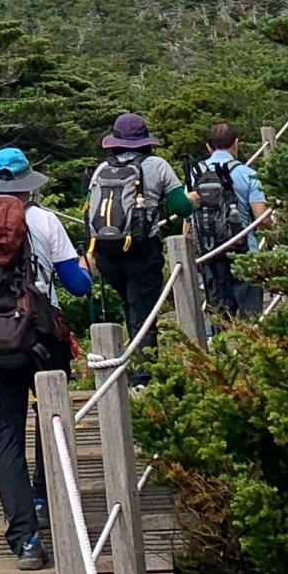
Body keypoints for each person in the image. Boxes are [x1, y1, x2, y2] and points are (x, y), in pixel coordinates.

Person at [0, 148, 93, 572]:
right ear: (28, 185)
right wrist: (88, 265)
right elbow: (78, 285)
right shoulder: (45, 220)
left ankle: (25, 539)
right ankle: (44, 497)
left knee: (5, 434)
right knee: (51, 422)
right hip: (40, 337)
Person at [82, 113, 190, 379]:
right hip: (142, 250)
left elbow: (90, 208)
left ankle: (131, 365)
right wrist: (194, 200)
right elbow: (181, 207)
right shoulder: (158, 165)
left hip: (107, 252)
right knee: (144, 312)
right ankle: (144, 377)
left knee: (131, 305)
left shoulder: (101, 169)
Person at [188, 122, 270, 318]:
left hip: (210, 253)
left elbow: (189, 217)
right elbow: (262, 219)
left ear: (209, 147)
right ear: (236, 143)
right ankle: (250, 347)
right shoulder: (248, 174)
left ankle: (221, 348)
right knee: (251, 318)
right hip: (245, 252)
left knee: (221, 317)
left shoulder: (195, 175)